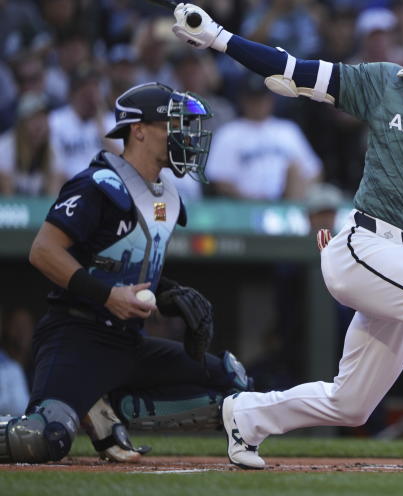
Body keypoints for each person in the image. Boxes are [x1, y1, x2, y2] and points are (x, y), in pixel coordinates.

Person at [171, 0, 403, 473]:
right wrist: (217, 36)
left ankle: (247, 415)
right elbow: (295, 70)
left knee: (351, 403)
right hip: (367, 246)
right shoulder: (388, 83)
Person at [16, 82, 252, 464]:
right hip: (78, 334)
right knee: (45, 437)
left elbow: (131, 268)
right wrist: (108, 297)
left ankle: (108, 407)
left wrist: (172, 296)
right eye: (173, 125)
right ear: (139, 130)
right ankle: (86, 405)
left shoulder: (169, 196)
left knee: (236, 386)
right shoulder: (96, 184)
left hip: (130, 341)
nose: (183, 135)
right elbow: (43, 251)